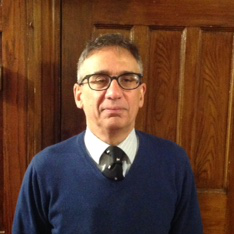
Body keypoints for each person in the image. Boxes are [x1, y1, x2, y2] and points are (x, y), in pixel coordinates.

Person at [13, 33, 203, 234]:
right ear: (79, 95)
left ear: (141, 94)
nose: (114, 93)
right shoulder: (45, 169)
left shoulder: (173, 162)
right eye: (100, 80)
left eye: (128, 79)